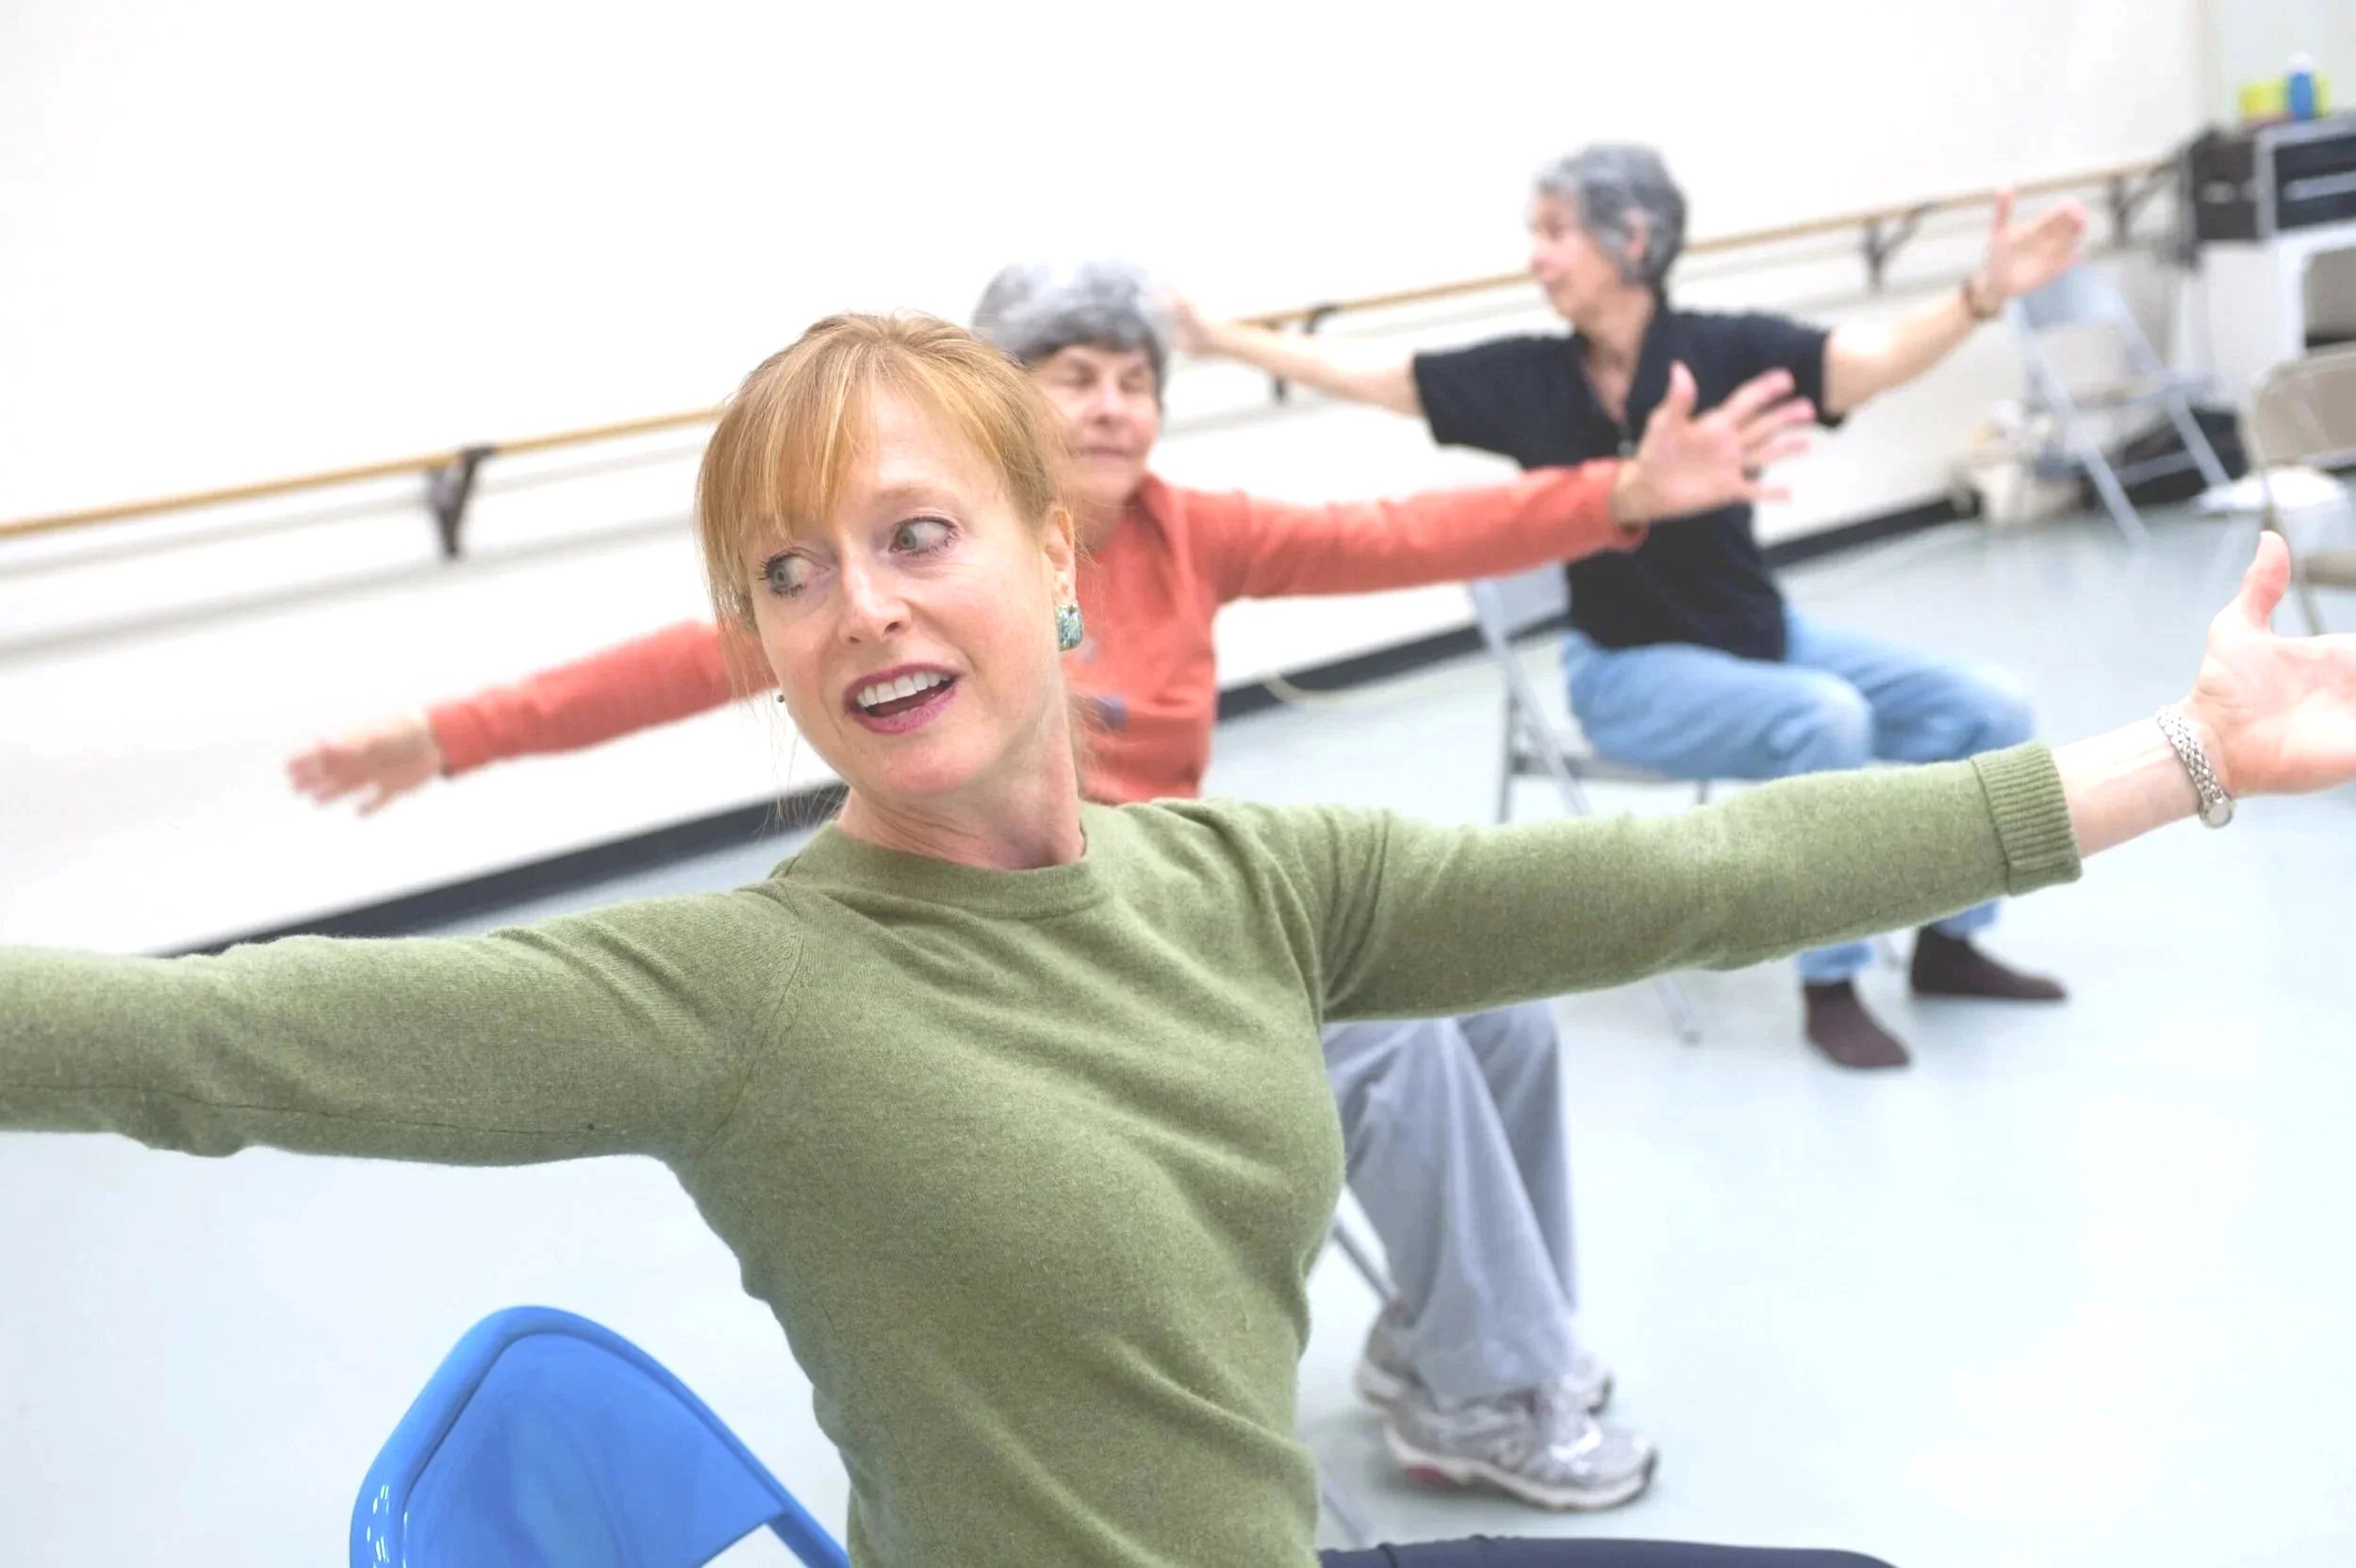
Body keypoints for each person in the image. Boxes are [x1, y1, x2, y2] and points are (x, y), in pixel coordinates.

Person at [8, 312, 2353, 1568]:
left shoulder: (1247, 882)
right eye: (792, 574)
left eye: (913, 532)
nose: (858, 607)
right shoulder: (728, 998)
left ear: (1062, 550)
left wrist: (2190, 750)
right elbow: (208, 1050)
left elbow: (1695, 876)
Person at [281, 258, 1813, 1510]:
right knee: (1387, 1033)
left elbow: (1400, 533)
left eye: (1134, 376)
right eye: (1071, 375)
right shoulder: (918, 561)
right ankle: (1498, 1380)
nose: (1112, 401)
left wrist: (1621, 491)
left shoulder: (1179, 533)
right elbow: (656, 669)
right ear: (998, 418)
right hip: (1022, 979)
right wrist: (438, 739)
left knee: (1496, 1014)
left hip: (1177, 918)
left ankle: (1454, 1349)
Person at [1173, 144, 2094, 1072]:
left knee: (1989, 707)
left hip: (1759, 639)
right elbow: (1381, 376)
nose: (1536, 257)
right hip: (1626, 670)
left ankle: (1950, 944)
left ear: (1633, 240)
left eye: (1554, 233)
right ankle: (1833, 982)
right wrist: (1222, 337)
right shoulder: (1530, 376)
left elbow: (1868, 363)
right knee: (1828, 716)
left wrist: (1982, 293)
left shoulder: (1722, 351)